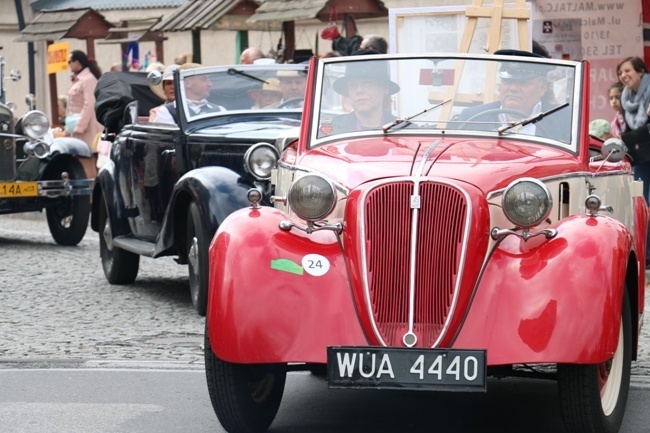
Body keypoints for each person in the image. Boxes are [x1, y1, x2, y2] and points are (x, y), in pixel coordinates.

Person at [458, 59, 570, 142]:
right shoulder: (472, 118)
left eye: (523, 83)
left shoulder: (565, 119)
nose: (512, 89)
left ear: (542, 88)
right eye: (507, 82)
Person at [328, 61, 399, 134]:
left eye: (367, 83)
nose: (359, 90)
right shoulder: (332, 130)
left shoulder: (403, 129)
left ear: (385, 88)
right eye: (353, 84)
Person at [66, 49, 104, 178]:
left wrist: (79, 127)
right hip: (76, 124)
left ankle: (92, 194)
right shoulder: (78, 79)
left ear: (78, 62)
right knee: (80, 159)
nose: (69, 64)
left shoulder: (88, 79)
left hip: (87, 126)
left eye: (70, 61)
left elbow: (89, 104)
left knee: (87, 158)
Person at [153, 63, 224, 124]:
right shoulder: (167, 112)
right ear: (188, 83)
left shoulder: (219, 110)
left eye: (209, 79)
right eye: (204, 79)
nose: (210, 84)